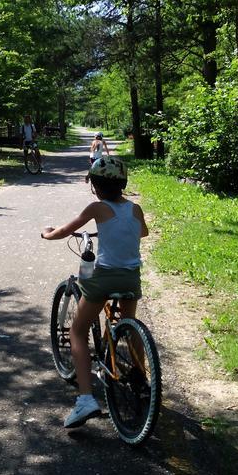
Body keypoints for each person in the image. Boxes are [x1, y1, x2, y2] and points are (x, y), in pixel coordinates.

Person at [41, 156, 149, 428]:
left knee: (77, 330)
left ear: (95, 186)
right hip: (130, 279)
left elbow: (65, 231)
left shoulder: (97, 207)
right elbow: (142, 233)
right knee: (130, 324)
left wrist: (47, 233)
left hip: (103, 278)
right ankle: (141, 377)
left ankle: (86, 399)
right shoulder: (135, 209)